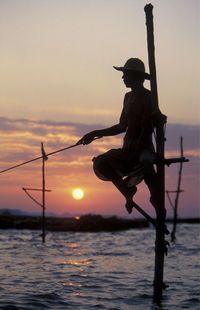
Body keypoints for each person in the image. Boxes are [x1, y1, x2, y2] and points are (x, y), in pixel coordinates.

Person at [77, 58, 158, 214]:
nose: (122, 78)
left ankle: (157, 206)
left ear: (135, 76)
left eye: (125, 74)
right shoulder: (127, 97)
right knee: (100, 163)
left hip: (143, 150)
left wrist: (136, 150)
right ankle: (127, 192)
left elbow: (146, 128)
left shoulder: (149, 97)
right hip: (128, 149)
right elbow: (121, 127)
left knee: (149, 170)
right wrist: (94, 134)